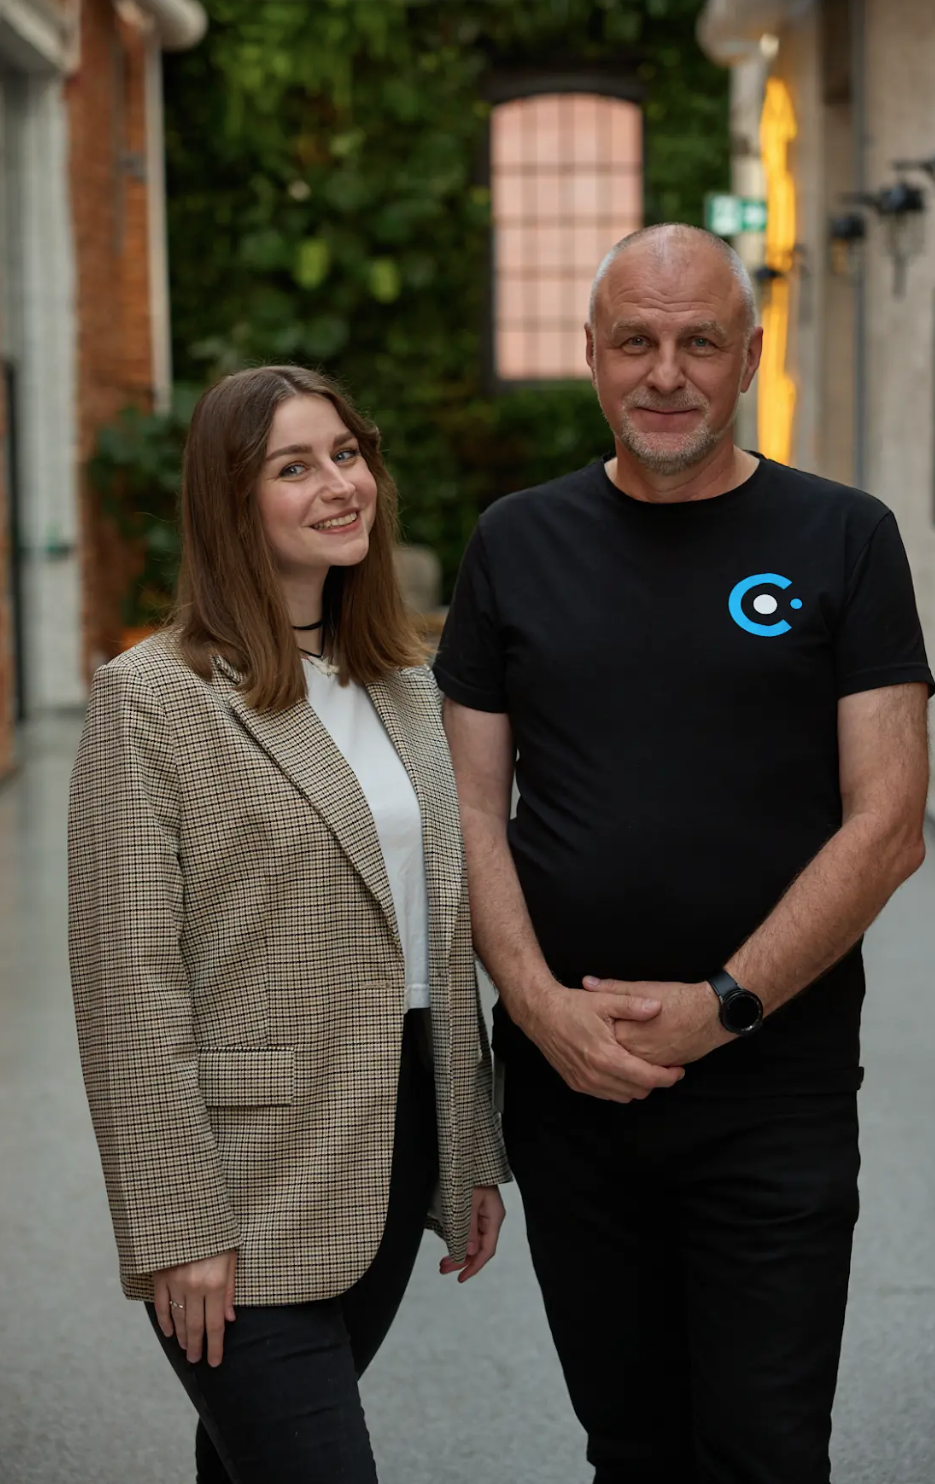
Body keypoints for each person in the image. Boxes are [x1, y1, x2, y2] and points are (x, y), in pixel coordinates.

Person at [435, 224, 934, 1484]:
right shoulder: (514, 541)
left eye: (697, 341)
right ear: (590, 357)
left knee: (763, 1445)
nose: (666, 372)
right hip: (570, 1085)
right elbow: (466, 808)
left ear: (748, 355)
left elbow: (885, 823)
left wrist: (723, 1006)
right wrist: (540, 1011)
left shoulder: (843, 537)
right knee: (630, 1441)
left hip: (774, 1077)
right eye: (635, 342)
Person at [68, 364, 508, 1484]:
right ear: (232, 500)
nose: (337, 485)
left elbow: (435, 940)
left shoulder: (407, 683)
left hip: (393, 1146)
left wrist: (470, 1147)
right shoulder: (153, 697)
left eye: (347, 455)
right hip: (242, 1183)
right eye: (293, 466)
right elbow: (129, 987)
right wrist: (175, 1225)